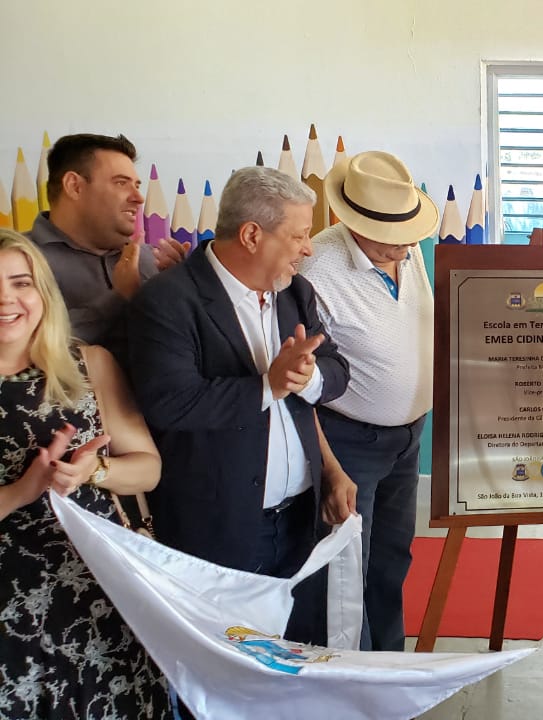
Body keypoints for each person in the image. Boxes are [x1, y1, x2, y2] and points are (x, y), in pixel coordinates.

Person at [127, 166, 355, 648]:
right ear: (252, 235)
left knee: (293, 656)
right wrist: (268, 386)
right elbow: (171, 404)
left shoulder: (295, 292)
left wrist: (308, 378)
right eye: (299, 235)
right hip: (220, 528)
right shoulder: (169, 301)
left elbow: (336, 370)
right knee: (226, 660)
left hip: (299, 519)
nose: (309, 249)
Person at [0, 229, 171, 718]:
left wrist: (93, 470)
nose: (7, 300)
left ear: (42, 292)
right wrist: (22, 491)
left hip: (101, 588)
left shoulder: (90, 364)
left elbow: (148, 469)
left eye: (20, 283)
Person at [300, 150, 438, 651]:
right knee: (344, 569)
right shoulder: (315, 270)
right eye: (391, 239)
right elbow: (302, 386)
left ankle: (388, 663)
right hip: (348, 441)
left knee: (391, 559)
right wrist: (330, 466)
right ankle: (351, 675)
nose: (405, 248)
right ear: (353, 223)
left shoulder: (406, 249)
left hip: (407, 438)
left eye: (409, 236)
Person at [29, 133, 187, 360]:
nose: (138, 198)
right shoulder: (18, 261)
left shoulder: (155, 259)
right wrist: (119, 297)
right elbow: (27, 348)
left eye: (137, 185)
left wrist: (180, 288)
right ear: (74, 186)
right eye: (121, 183)